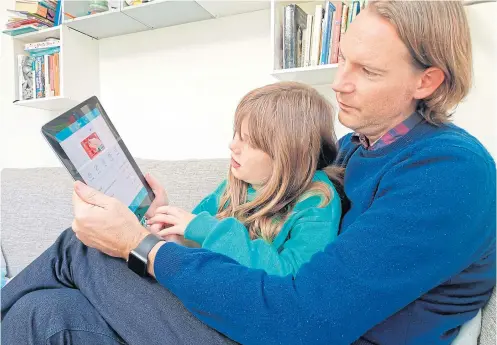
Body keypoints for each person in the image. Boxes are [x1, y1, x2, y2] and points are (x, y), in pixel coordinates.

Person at [1, 1, 495, 345]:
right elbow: (262, 201)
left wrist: (142, 245)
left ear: (427, 81)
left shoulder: (449, 173)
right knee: (43, 315)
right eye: (342, 56)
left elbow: (301, 320)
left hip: (296, 334)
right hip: (272, 321)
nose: (339, 83)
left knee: (81, 249)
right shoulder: (352, 152)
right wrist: (161, 218)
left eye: (367, 71)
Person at [146, 82, 343, 277]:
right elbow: (196, 240)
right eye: (236, 134)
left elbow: (292, 277)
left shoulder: (318, 203)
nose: (232, 145)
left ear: (289, 156)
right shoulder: (237, 183)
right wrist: (168, 224)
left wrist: (207, 229)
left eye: (249, 141)